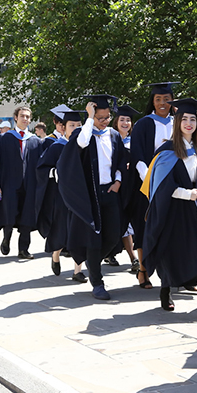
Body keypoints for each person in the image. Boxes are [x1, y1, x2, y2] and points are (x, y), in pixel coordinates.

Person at [143, 98, 197, 316]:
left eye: (192, 119)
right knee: (170, 251)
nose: (188, 123)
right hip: (173, 210)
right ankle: (165, 290)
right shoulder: (167, 151)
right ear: (177, 122)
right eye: (184, 119)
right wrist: (189, 194)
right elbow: (162, 187)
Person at [58, 95, 127, 300]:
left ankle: (92, 261)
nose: (104, 121)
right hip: (91, 194)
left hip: (110, 191)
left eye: (107, 117)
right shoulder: (83, 133)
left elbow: (121, 160)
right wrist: (89, 119)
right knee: (93, 240)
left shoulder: (114, 135)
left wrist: (118, 180)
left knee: (114, 235)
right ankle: (97, 283)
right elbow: (81, 143)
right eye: (100, 118)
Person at [130, 82, 179, 289]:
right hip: (147, 185)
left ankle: (178, 274)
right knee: (145, 228)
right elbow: (138, 155)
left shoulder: (178, 122)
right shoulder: (144, 124)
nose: (162, 103)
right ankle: (143, 270)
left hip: (176, 184)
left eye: (166, 99)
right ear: (152, 101)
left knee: (175, 229)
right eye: (158, 99)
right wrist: (149, 180)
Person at [35, 109, 87, 282]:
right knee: (61, 230)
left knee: (79, 231)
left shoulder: (84, 146)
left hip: (81, 195)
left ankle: (77, 270)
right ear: (63, 128)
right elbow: (41, 168)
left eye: (79, 125)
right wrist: (55, 172)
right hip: (61, 196)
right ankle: (56, 255)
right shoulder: (57, 146)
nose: (75, 128)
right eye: (72, 125)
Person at [0, 105, 41, 259]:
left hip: (30, 184)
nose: (25, 119)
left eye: (27, 116)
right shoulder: (5, 138)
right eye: (22, 116)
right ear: (15, 118)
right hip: (9, 183)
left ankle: (23, 249)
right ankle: (6, 239)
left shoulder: (35, 141)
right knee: (9, 212)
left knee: (27, 215)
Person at [113, 104, 140, 271]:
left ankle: (134, 258)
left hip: (132, 185)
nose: (125, 122)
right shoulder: (109, 139)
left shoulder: (135, 141)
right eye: (122, 119)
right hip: (115, 186)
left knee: (129, 221)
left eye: (128, 120)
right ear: (116, 122)